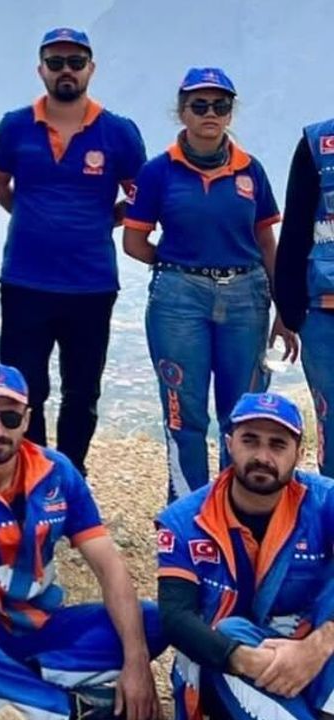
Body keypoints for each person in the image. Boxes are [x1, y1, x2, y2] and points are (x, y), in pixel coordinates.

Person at [0, 363, 164, 720]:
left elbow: (110, 568)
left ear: (26, 420)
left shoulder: (57, 472)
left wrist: (137, 663)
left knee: (153, 622)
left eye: (10, 419)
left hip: (43, 628)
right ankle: (78, 708)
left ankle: (15, 691)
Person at [0, 28, 146, 476]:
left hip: (91, 284)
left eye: (75, 62)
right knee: (25, 389)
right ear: (41, 70)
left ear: (90, 69)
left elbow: (142, 195)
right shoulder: (15, 125)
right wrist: (31, 217)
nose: (66, 71)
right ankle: (32, 473)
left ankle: (71, 474)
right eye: (55, 63)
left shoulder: (119, 132)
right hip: (25, 280)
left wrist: (101, 220)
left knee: (82, 390)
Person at [123, 67, 286, 502]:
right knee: (184, 413)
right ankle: (188, 511)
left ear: (231, 112)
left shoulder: (251, 170)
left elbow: (266, 241)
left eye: (220, 105)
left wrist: (285, 306)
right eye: (199, 105)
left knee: (244, 413)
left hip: (247, 298)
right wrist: (181, 267)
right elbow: (134, 242)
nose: (210, 113)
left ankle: (238, 508)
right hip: (179, 301)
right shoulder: (158, 172)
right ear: (182, 112)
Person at [156, 392, 334, 719]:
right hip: (232, 666)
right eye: (250, 441)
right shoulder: (183, 521)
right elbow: (175, 617)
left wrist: (317, 647)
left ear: (299, 455)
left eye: (277, 445)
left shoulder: (325, 502)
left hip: (317, 660)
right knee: (229, 630)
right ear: (229, 445)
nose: (262, 456)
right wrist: (244, 659)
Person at [276, 112, 334, 478]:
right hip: (325, 311)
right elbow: (296, 225)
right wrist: (289, 308)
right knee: (333, 422)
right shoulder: (318, 143)